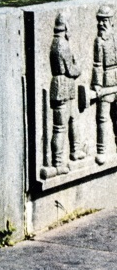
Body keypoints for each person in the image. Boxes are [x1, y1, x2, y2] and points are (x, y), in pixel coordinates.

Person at [41, 13, 84, 179]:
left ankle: (75, 150)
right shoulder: (62, 45)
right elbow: (71, 70)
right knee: (60, 127)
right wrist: (78, 65)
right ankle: (58, 163)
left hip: (64, 87)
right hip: (62, 86)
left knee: (73, 118)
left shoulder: (56, 43)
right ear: (65, 28)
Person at [92, 4, 117, 165]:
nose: (101, 24)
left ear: (111, 21)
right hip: (106, 83)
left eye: (104, 21)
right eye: (99, 21)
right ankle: (101, 151)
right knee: (102, 117)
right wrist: (97, 83)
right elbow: (97, 64)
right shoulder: (99, 41)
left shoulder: (115, 38)